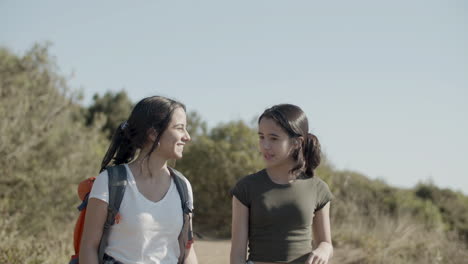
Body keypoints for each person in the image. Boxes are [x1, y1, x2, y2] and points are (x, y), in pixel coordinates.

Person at [80, 96, 198, 264]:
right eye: (180, 128)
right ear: (153, 133)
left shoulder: (182, 186)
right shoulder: (109, 182)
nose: (187, 137)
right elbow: (89, 247)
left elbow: (187, 251)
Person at [230, 104, 333, 264]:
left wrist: (323, 249)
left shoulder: (318, 188)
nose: (265, 145)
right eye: (261, 137)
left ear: (297, 142)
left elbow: (326, 243)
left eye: (273, 138)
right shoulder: (246, 188)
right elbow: (237, 255)